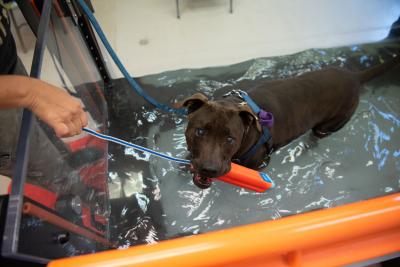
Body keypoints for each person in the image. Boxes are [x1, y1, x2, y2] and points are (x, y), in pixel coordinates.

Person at [0, 2, 87, 177]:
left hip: (6, 60)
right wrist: (30, 93)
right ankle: (76, 190)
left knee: (46, 127)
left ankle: (69, 160)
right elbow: (30, 94)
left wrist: (29, 92)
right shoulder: (29, 92)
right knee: (39, 161)